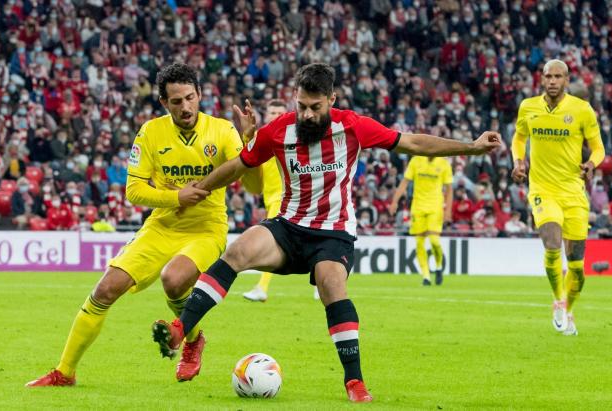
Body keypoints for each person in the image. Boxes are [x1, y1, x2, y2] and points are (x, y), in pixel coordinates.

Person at [152, 63, 500, 402]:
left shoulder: (353, 127)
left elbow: (413, 143)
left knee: (331, 283)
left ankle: (355, 382)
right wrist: (198, 189)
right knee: (239, 250)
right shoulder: (279, 130)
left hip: (333, 234)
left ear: (332, 100)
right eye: (301, 105)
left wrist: (470, 146)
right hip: (288, 226)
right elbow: (237, 166)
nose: (306, 114)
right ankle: (182, 329)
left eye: (315, 107)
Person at [26, 63, 258, 387]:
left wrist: (251, 143)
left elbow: (252, 183)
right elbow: (133, 190)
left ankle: (192, 341)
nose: (185, 106)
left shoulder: (222, 130)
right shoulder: (151, 132)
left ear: (200, 95)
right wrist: (177, 197)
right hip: (161, 227)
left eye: (190, 98)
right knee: (104, 289)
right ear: (164, 102)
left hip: (206, 228)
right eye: (176, 101)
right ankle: (65, 372)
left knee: (174, 280)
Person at [511, 59, 604, 336]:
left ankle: (570, 308)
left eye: (558, 77)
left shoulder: (581, 110)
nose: (552, 81)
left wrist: (591, 165)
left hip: (573, 191)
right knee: (552, 244)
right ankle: (558, 301)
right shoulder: (528, 107)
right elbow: (519, 138)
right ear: (541, 79)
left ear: (566, 80)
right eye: (547, 76)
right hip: (542, 189)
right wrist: (519, 161)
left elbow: (598, 149)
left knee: (576, 265)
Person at [242, 99, 286, 302]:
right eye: (272, 112)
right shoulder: (259, 139)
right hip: (270, 198)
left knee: (271, 241)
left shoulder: (292, 136)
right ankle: (323, 283)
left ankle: (262, 287)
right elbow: (255, 179)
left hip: (286, 198)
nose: (276, 116)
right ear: (266, 115)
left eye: (280, 112)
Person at [388, 156, 452, 285]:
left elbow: (449, 189)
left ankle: (439, 267)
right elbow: (404, 182)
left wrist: (448, 211)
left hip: (435, 207)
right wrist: (394, 201)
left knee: (434, 241)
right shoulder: (416, 161)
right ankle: (426, 276)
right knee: (419, 243)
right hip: (418, 207)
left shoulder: (444, 163)